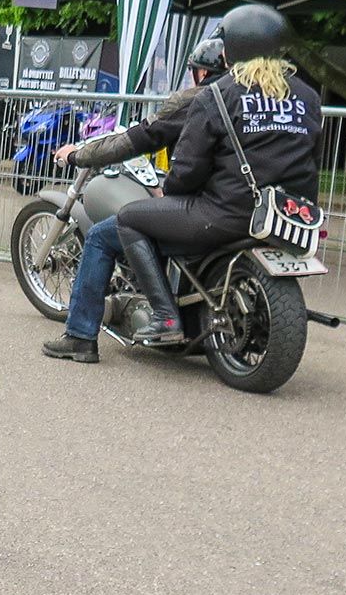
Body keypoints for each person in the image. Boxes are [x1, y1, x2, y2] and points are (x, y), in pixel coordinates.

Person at [113, 4, 321, 346]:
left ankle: (166, 317)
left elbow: (188, 169)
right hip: (289, 214)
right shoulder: (307, 97)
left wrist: (172, 189)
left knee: (128, 218)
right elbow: (313, 156)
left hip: (229, 215)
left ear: (232, 50)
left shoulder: (218, 95)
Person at [42, 37, 229, 363]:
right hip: (244, 208)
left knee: (103, 235)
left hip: (200, 210)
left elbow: (137, 139)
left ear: (200, 73)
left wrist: (79, 155)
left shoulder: (196, 100)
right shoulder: (251, 100)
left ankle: (80, 336)